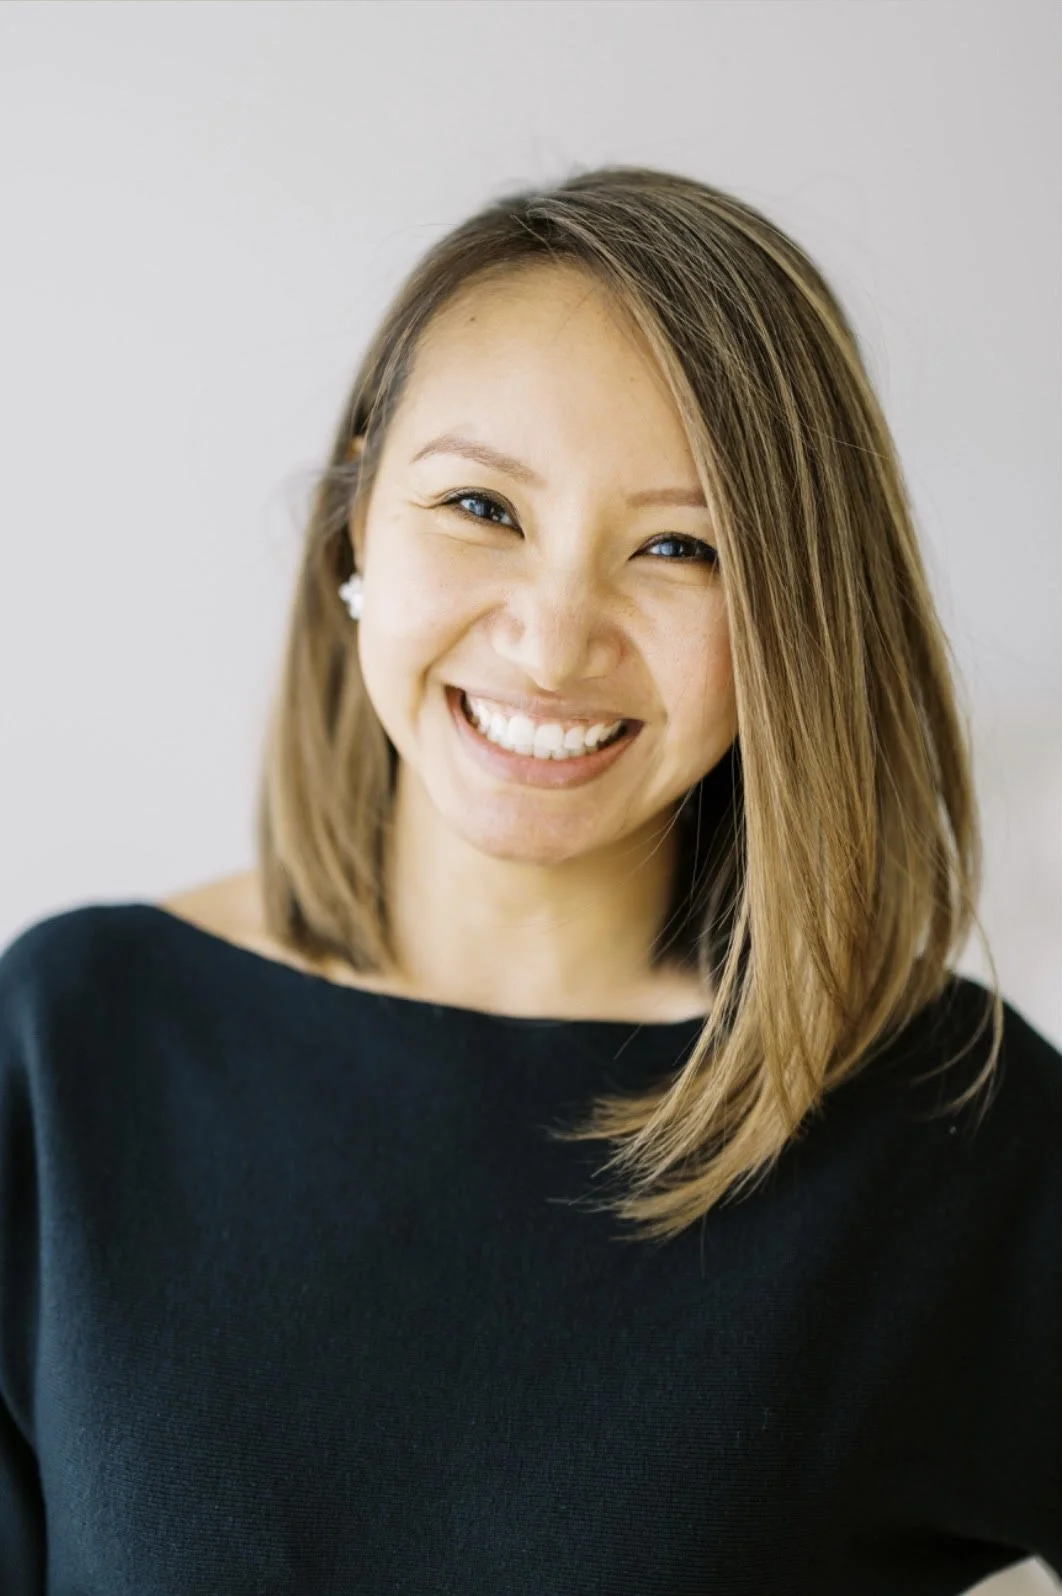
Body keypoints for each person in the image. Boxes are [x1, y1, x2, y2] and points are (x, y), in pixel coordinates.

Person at [1, 165, 1059, 1594]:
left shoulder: (958, 1131)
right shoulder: (71, 1046)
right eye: (481, 508)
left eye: (679, 548)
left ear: (792, 614)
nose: (554, 643)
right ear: (359, 518)